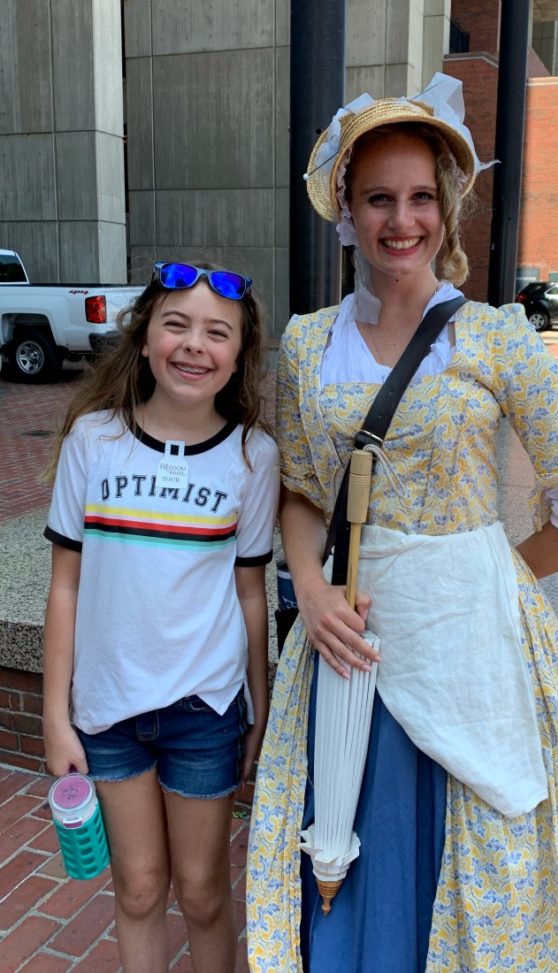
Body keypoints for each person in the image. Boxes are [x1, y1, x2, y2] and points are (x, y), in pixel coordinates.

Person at [246, 73, 558, 972]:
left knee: (459, 850)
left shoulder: (493, 336)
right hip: (347, 641)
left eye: (421, 198)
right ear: (348, 212)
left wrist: (498, 572)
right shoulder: (308, 341)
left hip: (470, 639)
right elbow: (300, 489)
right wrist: (310, 587)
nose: (403, 221)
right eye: (380, 199)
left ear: (447, 207)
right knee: (346, 845)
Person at [42, 261, 279, 972]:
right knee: (139, 887)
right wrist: (57, 714)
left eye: (217, 332)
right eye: (176, 324)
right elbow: (66, 588)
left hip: (203, 709)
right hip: (108, 711)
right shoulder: (94, 440)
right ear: (144, 336)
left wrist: (257, 707)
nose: (193, 344)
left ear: (238, 355)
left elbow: (250, 593)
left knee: (204, 892)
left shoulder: (251, 455)